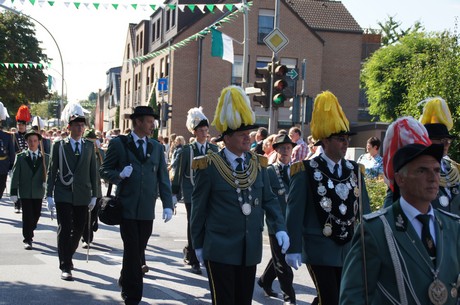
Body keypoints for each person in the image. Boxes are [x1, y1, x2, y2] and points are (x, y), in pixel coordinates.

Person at [191, 85, 289, 305]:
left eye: (248, 134)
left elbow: (269, 200)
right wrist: (198, 244)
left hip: (249, 248)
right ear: (226, 138)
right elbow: (199, 208)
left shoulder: (257, 164)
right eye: (242, 134)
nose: (248, 138)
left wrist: (280, 227)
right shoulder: (210, 166)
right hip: (220, 249)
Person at [339, 143, 460, 305]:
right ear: (400, 179)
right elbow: (353, 296)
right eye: (422, 171)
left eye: (437, 171)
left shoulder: (453, 226)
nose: (433, 178)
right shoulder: (375, 230)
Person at [285, 91, 371, 305]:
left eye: (347, 138)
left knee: (342, 299)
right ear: (325, 140)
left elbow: (365, 212)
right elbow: (294, 212)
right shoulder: (305, 170)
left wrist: (370, 244)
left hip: (348, 249)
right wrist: (294, 247)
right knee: (330, 298)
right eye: (340, 139)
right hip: (318, 249)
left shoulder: (354, 170)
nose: (345, 143)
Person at [100, 106, 173, 305]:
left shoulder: (157, 147)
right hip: (127, 208)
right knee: (132, 251)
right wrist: (119, 175)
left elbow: (163, 178)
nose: (153, 126)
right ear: (138, 122)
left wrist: (168, 204)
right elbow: (104, 170)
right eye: (150, 121)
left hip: (147, 210)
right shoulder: (118, 144)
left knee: (138, 249)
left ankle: (125, 277)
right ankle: (133, 296)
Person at [46, 113, 98, 281]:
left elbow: (93, 172)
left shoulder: (89, 147)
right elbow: (52, 170)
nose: (80, 128)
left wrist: (95, 195)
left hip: (83, 193)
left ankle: (67, 254)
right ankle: (66, 265)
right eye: (76, 125)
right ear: (69, 127)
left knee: (79, 228)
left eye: (82, 125)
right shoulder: (59, 145)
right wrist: (49, 195)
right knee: (65, 227)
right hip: (64, 191)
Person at [171, 107, 218, 275]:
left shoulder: (213, 150)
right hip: (192, 193)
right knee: (194, 224)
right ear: (194, 131)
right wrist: (175, 193)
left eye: (206, 130)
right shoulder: (186, 150)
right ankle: (193, 257)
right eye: (201, 130)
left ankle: (200, 252)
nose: (204, 133)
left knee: (208, 223)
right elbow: (179, 173)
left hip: (210, 194)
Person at [258, 134, 297, 304]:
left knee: (278, 257)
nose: (285, 151)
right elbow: (266, 197)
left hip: (292, 222)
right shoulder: (269, 171)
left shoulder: (297, 170)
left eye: (288, 148)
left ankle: (265, 280)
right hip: (276, 221)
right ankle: (289, 296)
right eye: (281, 148)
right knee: (282, 262)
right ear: (276, 150)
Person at [420, 97, 460, 216]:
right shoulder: (414, 169)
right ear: (428, 141)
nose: (446, 144)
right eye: (441, 140)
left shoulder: (454, 169)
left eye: (448, 140)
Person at [10, 130, 49, 250]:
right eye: (30, 141)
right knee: (27, 216)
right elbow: (15, 175)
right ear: (26, 142)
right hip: (25, 191)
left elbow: (50, 174)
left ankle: (30, 230)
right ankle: (27, 238)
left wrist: (47, 184)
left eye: (35, 141)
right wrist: (13, 192)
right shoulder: (21, 157)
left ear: (38, 142)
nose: (32, 143)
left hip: (38, 192)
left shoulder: (45, 158)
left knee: (36, 215)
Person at [81, 128, 103, 249]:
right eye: (88, 140)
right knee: (85, 215)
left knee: (94, 214)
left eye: (92, 141)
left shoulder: (100, 153)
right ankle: (86, 238)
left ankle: (93, 225)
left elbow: (105, 168)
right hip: (84, 188)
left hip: (97, 189)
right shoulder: (81, 153)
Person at [12, 105, 31, 213]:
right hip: (16, 161)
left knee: (25, 184)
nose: (20, 127)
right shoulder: (13, 136)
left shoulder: (29, 136)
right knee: (16, 183)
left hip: (27, 162)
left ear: (25, 125)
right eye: (19, 125)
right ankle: (16, 204)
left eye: (22, 125)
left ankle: (23, 202)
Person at [0, 103, 15, 200]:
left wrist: (11, 166)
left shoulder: (7, 135)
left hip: (3, 166)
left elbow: (11, 152)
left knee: (1, 187)